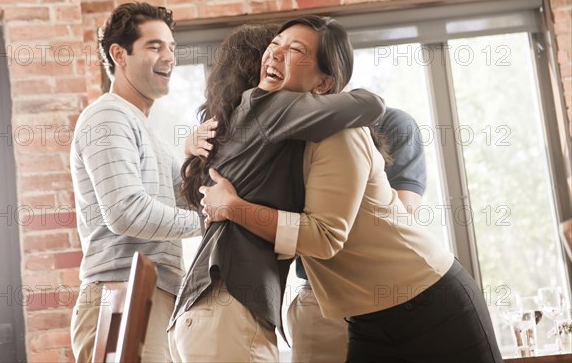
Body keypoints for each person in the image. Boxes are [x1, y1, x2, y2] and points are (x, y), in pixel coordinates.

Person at [200, 48, 503, 363]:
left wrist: (236, 209)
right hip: (358, 309)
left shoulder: (347, 131)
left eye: (296, 54)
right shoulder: (285, 144)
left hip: (424, 296)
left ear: (325, 80)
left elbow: (327, 234)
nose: (275, 63)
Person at [167, 17, 385, 362]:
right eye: (275, 44)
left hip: (198, 313)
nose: (275, 55)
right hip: (228, 313)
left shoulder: (235, 121)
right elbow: (370, 105)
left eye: (294, 49)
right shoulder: (277, 107)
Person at [69, 2, 214, 362]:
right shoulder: (108, 115)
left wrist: (196, 165)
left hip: (150, 293)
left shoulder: (147, 131)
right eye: (154, 46)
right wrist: (212, 216)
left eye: (171, 48)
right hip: (120, 295)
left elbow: (174, 205)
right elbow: (126, 212)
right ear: (119, 54)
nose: (169, 57)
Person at [288, 106, 427, 363]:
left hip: (388, 298)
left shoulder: (394, 124)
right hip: (320, 303)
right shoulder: (290, 137)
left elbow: (402, 219)